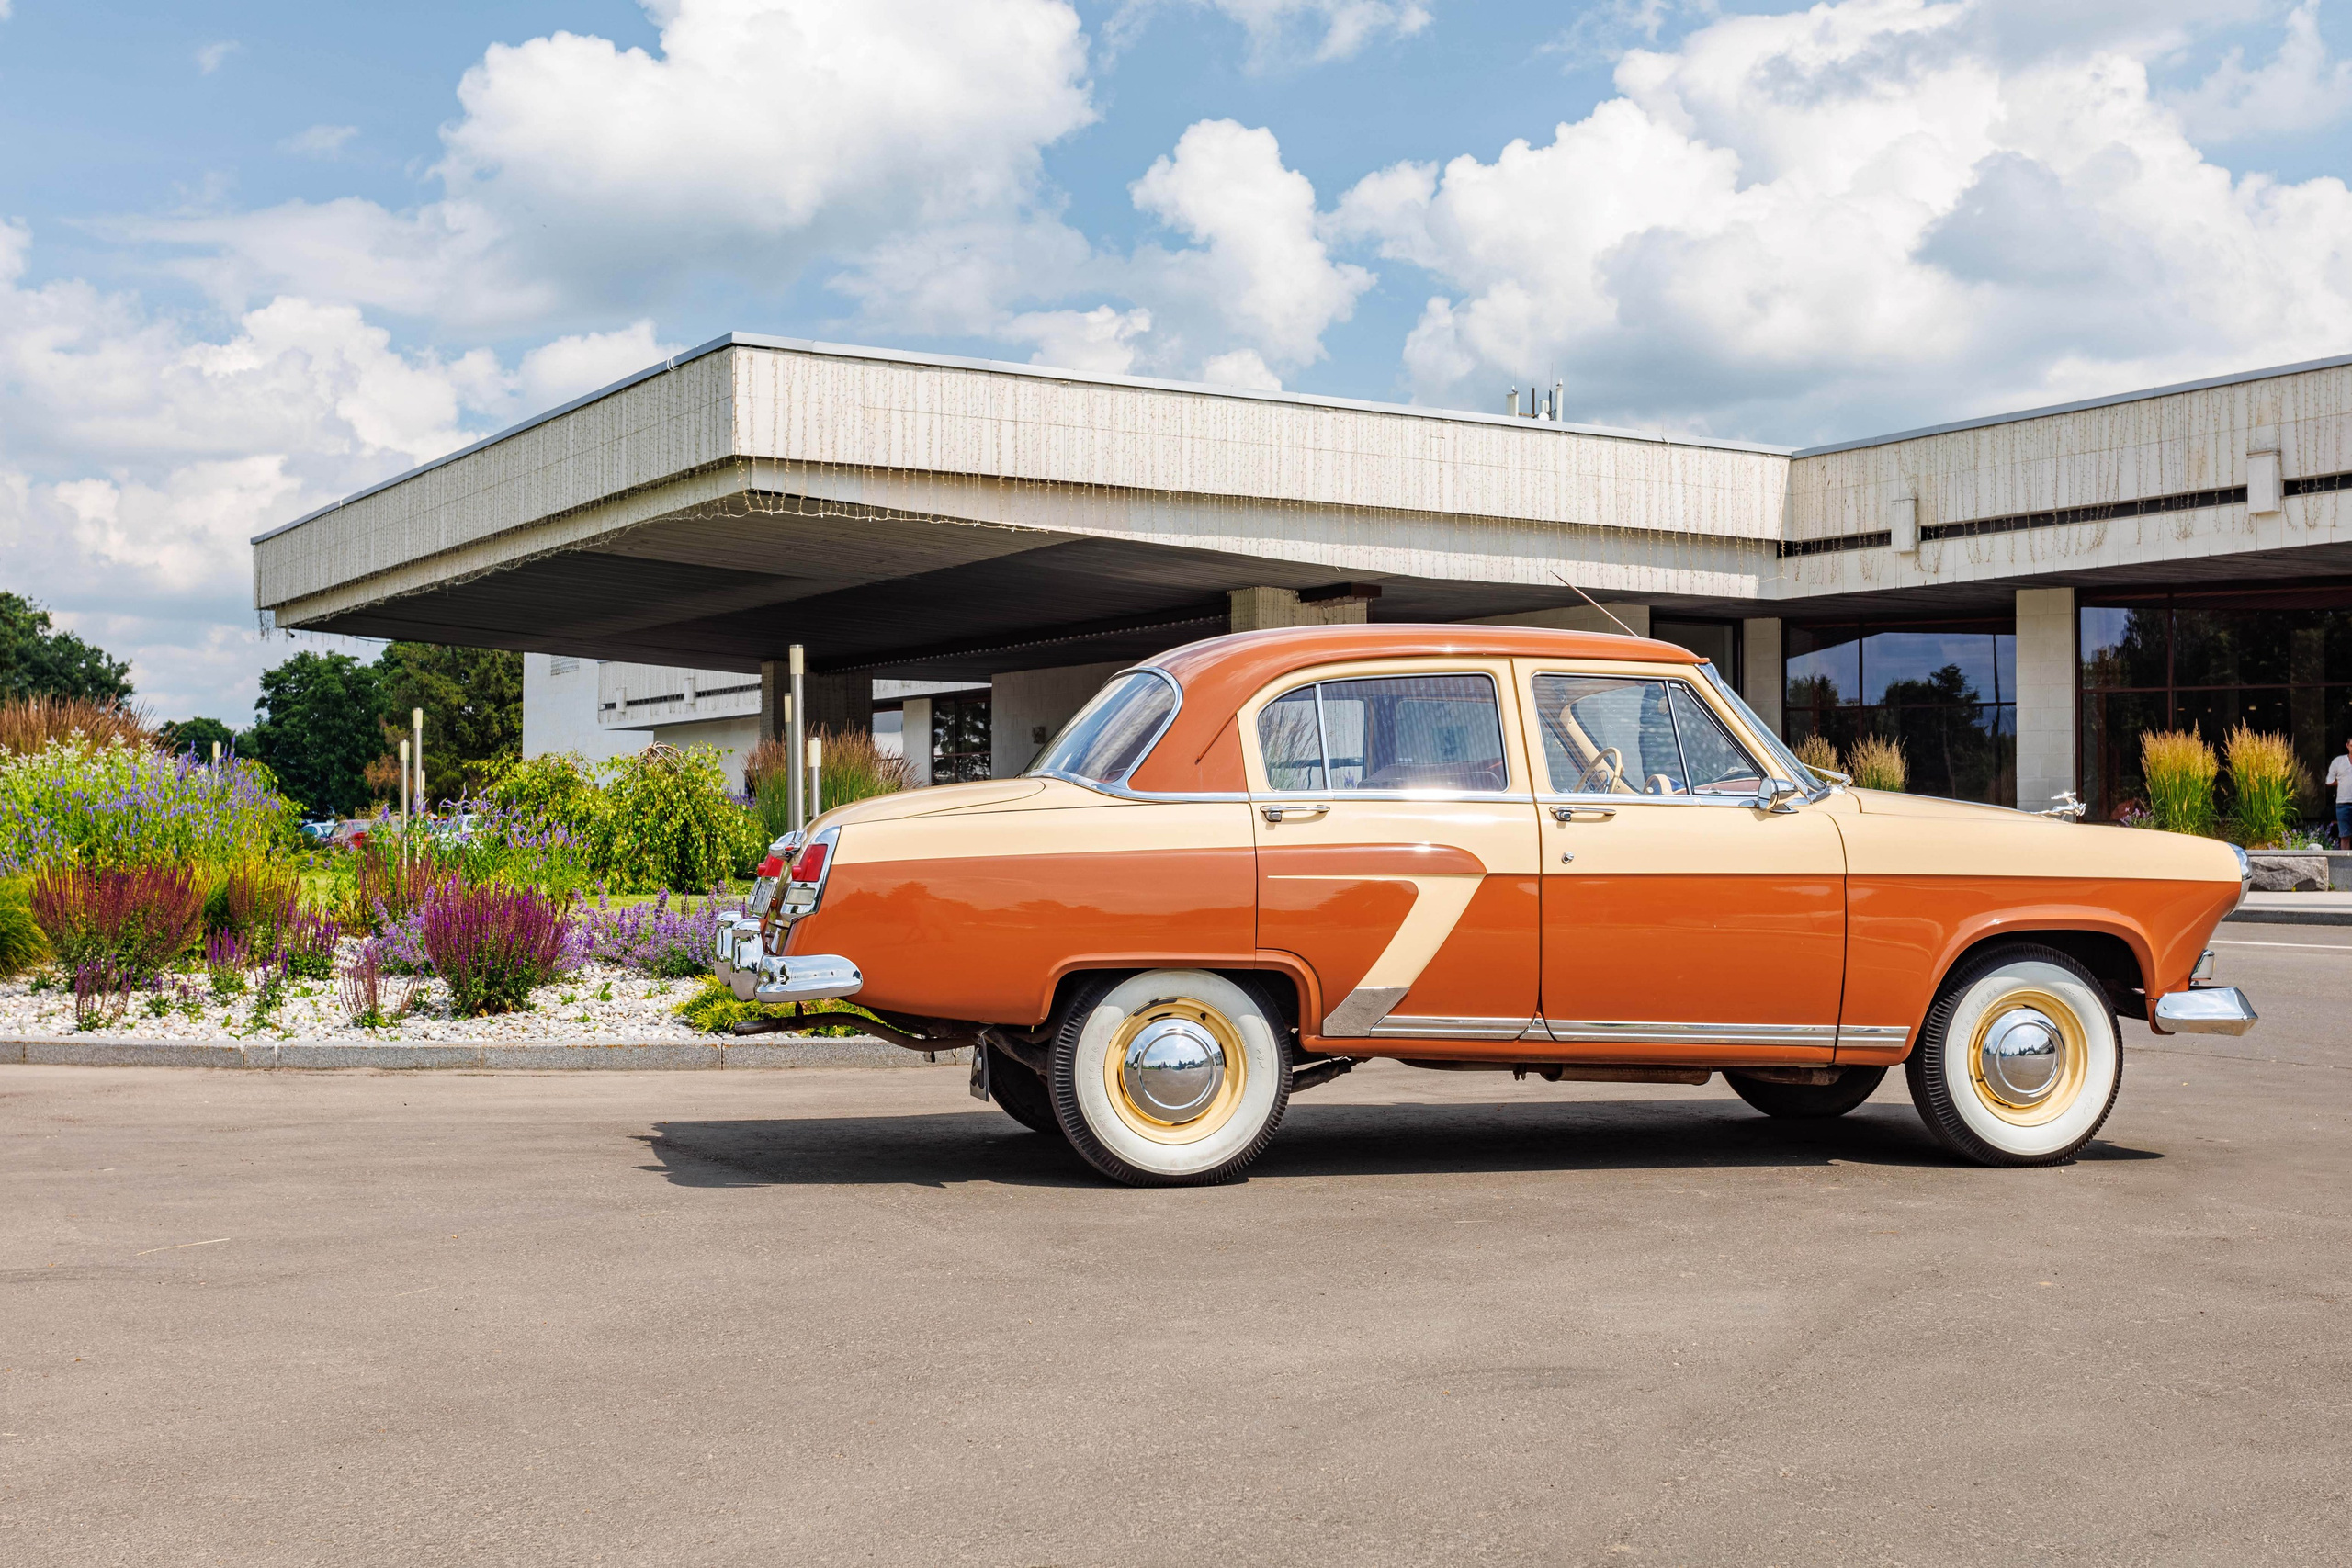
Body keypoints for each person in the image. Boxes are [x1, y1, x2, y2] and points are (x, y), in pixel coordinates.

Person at [2329, 737, 2352, 850]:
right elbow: (2329, 781)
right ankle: (2344, 860)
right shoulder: (2339, 762)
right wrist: (2342, 782)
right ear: (2347, 746)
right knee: (2345, 836)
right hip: (2343, 804)